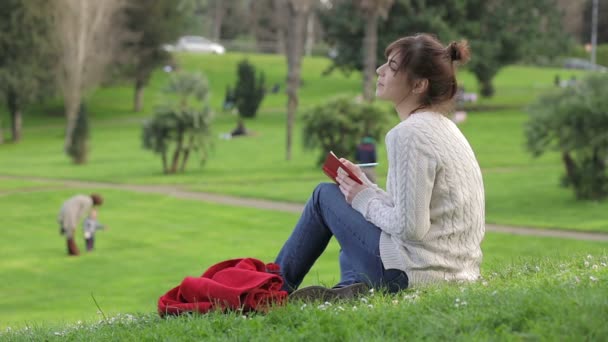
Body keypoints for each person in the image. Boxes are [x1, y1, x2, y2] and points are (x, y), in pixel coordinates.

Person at [275, 33, 485, 301]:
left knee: (323, 197)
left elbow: (410, 228)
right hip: (456, 272)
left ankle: (272, 290)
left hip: (413, 274)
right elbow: (411, 211)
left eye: (392, 66)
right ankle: (350, 288)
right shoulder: (446, 128)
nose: (380, 70)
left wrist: (362, 200)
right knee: (354, 212)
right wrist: (365, 188)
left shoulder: (409, 134)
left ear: (419, 84)